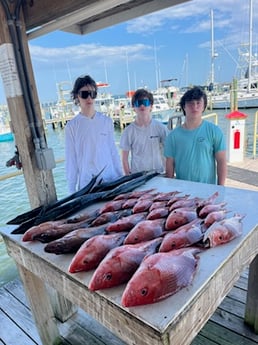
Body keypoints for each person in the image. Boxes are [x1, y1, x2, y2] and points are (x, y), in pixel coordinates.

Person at [65, 75, 122, 193]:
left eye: (93, 93)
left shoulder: (107, 121)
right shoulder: (71, 127)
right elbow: (71, 161)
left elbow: (113, 152)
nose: (89, 98)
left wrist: (121, 177)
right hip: (87, 186)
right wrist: (71, 191)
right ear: (77, 96)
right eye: (85, 94)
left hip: (111, 180)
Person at [164, 86, 227, 185]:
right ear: (184, 107)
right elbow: (169, 165)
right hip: (182, 191)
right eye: (190, 103)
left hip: (208, 189)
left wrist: (221, 187)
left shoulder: (214, 131)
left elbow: (221, 161)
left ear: (204, 106)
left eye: (198, 103)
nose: (195, 106)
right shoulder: (173, 136)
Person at [120, 88, 169, 175]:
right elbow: (124, 159)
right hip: (138, 177)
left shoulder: (161, 128)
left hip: (158, 175)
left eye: (145, 103)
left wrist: (169, 175)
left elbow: (170, 153)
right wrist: (128, 178)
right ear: (134, 108)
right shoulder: (128, 131)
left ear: (151, 106)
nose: (142, 106)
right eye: (138, 103)